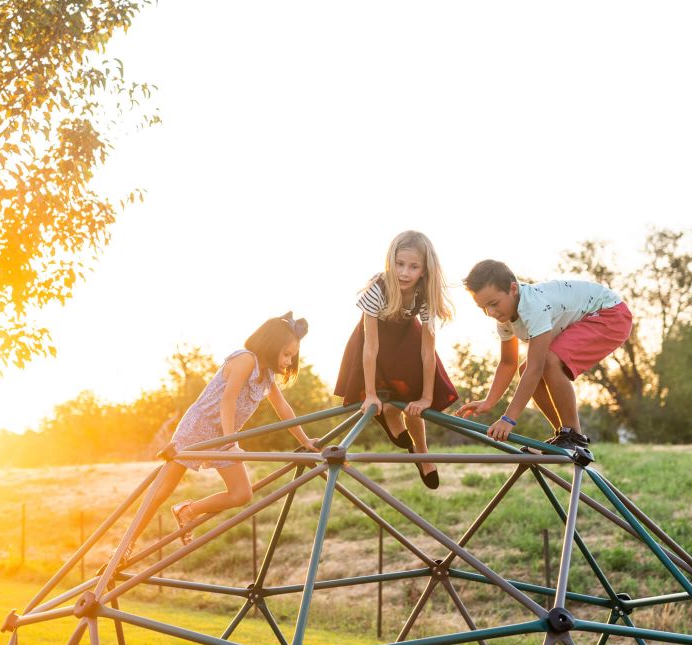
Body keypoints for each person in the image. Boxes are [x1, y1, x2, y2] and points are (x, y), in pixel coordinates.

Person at [114, 313, 319, 563]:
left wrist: (305, 440)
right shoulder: (245, 360)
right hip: (198, 430)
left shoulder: (267, 377)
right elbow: (228, 400)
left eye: (292, 356)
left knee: (242, 494)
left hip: (224, 435)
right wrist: (231, 440)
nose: (289, 361)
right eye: (286, 354)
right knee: (161, 491)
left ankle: (188, 511)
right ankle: (125, 546)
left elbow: (284, 409)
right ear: (271, 345)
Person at [457, 260, 632, 450]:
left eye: (493, 304)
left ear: (513, 289)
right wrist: (489, 401)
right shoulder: (504, 320)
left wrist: (508, 419)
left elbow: (537, 367)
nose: (490, 312)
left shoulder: (533, 307)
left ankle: (574, 436)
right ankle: (565, 435)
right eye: (483, 307)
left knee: (547, 362)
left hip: (610, 314)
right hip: (591, 316)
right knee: (525, 368)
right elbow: (508, 363)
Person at [335, 230, 457, 489]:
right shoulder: (377, 289)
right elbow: (370, 346)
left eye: (413, 267)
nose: (404, 272)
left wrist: (425, 397)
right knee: (382, 389)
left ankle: (422, 453)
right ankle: (388, 410)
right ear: (391, 261)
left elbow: (427, 350)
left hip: (406, 335)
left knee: (413, 394)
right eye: (399, 264)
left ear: (424, 270)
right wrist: (369, 394)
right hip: (374, 337)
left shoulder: (424, 294)